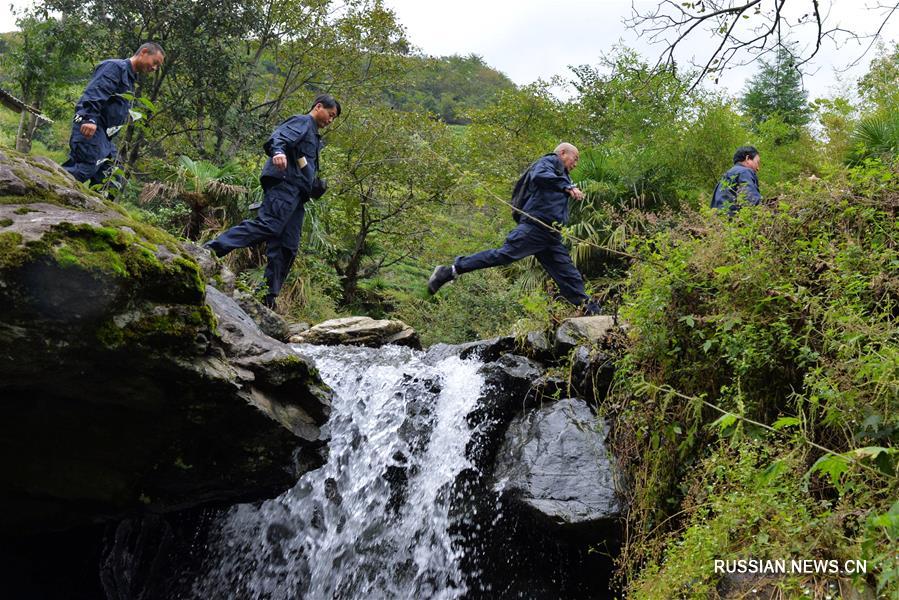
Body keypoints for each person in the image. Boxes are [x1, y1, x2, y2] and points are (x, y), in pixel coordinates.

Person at [428, 142, 600, 315]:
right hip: (535, 229)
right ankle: (449, 271)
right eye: (575, 158)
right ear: (563, 153)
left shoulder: (562, 175)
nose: (575, 164)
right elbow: (539, 175)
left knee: (568, 273)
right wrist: (567, 186)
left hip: (550, 236)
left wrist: (566, 185)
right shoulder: (550, 161)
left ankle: (589, 310)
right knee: (503, 255)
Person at [204, 94, 341, 309]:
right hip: (285, 186)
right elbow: (279, 136)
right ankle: (212, 249)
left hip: (298, 196)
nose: (330, 120)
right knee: (268, 224)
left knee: (288, 245)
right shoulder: (303, 121)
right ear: (318, 107)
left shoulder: (314, 137)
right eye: (330, 115)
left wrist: (315, 185)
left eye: (334, 118)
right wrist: (278, 152)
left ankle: (268, 297)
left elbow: (305, 167)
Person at [63, 43, 165, 185]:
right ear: (144, 52)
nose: (154, 68)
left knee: (112, 177)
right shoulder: (115, 67)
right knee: (86, 168)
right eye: (155, 62)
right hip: (92, 126)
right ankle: (45, 187)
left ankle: (90, 206)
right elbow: (95, 92)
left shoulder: (131, 79)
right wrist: (89, 119)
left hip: (105, 136)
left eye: (157, 66)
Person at [711, 146, 762, 215]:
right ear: (747, 158)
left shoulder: (726, 176)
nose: (758, 168)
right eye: (757, 162)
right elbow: (752, 200)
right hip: (733, 222)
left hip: (718, 221)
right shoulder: (744, 172)